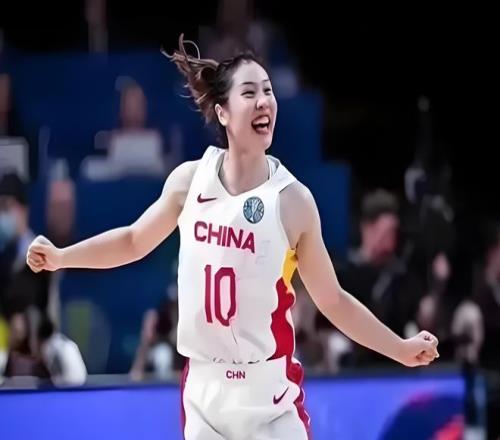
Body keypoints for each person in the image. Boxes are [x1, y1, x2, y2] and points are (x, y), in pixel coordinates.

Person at [26, 34, 439, 440]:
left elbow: (332, 300)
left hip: (269, 395)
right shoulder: (190, 181)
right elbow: (134, 241)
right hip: (205, 393)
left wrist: (399, 348)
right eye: (250, 92)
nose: (264, 101)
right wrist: (62, 256)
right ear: (222, 112)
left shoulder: (292, 201)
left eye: (268, 91)